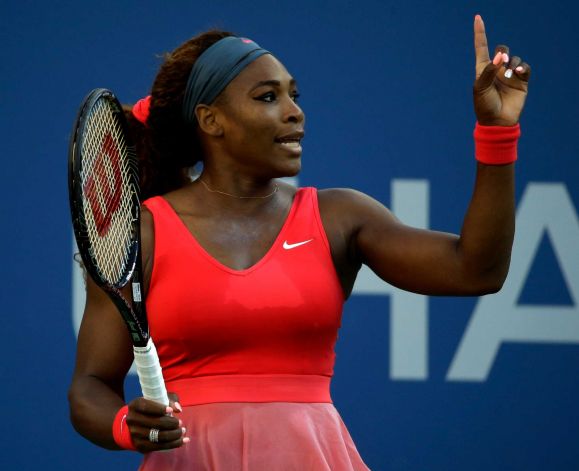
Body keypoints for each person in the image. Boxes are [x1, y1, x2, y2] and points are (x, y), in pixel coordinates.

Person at [68, 15, 530, 470]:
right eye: (268, 97)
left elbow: (476, 270)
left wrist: (496, 131)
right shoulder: (143, 233)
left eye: (294, 95)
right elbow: (90, 385)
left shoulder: (340, 217)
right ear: (211, 120)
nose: (295, 112)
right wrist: (125, 424)